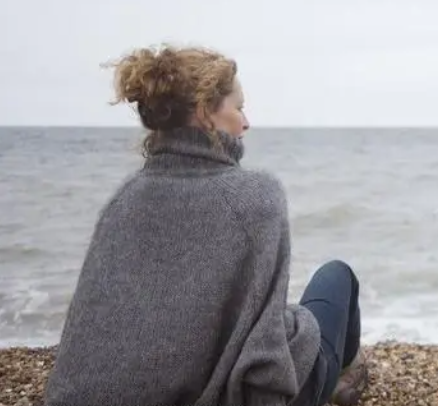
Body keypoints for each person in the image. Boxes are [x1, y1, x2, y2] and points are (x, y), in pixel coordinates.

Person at [43, 44, 368, 406]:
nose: (246, 122)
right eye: (239, 107)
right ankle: (343, 375)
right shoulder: (256, 197)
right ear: (204, 112)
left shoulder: (124, 199)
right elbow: (265, 367)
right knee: (337, 277)